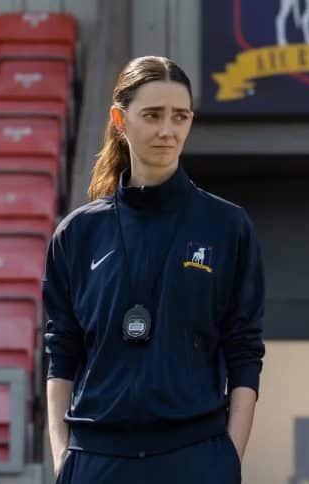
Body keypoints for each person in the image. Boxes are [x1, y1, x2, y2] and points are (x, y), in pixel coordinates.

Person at [43, 56, 265, 484]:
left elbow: (244, 351)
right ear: (119, 120)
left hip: (196, 457)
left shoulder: (227, 226)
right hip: (96, 458)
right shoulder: (78, 233)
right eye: (152, 115)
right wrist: (63, 456)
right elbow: (62, 352)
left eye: (179, 116)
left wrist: (228, 457)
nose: (168, 130)